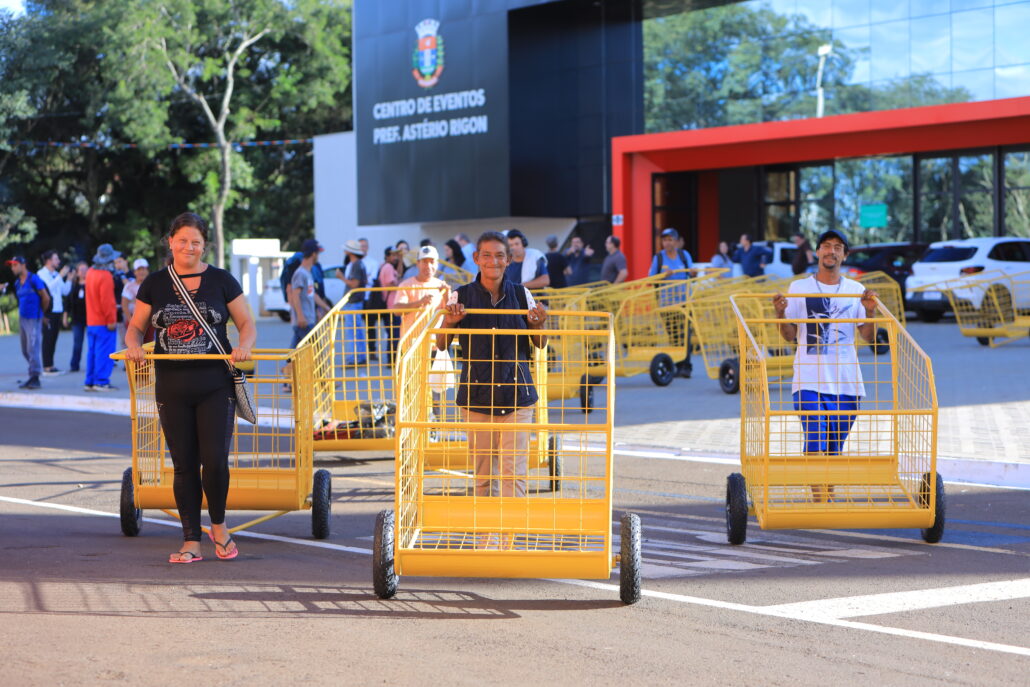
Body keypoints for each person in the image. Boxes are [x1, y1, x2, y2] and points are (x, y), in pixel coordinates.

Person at [125, 212, 256, 564]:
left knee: (214, 460)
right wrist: (134, 345)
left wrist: (244, 346)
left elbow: (246, 324)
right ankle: (190, 542)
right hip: (172, 386)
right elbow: (135, 328)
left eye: (195, 242)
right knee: (184, 465)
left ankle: (220, 527)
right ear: (170, 241)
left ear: (204, 246)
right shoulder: (154, 283)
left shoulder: (222, 281)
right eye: (181, 240)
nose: (188, 247)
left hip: (216, 385)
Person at [438, 232, 548, 534]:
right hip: (477, 396)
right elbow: (440, 343)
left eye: (500, 255)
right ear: (476, 259)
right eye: (486, 255)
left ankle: (511, 537)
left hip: (518, 395)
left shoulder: (523, 295)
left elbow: (539, 342)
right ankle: (486, 535)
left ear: (509, 260)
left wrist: (540, 323)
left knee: (515, 474)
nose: (493, 261)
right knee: (484, 475)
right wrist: (451, 321)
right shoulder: (460, 295)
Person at [772, 229, 878, 503]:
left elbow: (868, 336)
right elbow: (790, 336)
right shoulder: (799, 288)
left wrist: (870, 311)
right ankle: (820, 499)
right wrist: (780, 314)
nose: (831, 251)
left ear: (844, 254)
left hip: (847, 381)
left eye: (838, 247)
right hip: (809, 379)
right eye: (827, 246)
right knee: (816, 438)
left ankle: (828, 493)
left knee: (834, 448)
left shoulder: (856, 291)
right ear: (818, 251)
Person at [648, 228, 694, 378]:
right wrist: (662, 276)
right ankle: (678, 364)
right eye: (664, 240)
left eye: (670, 239)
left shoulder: (683, 255)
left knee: (685, 334)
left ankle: (686, 366)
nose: (667, 243)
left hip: (684, 301)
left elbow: (691, 273)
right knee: (674, 335)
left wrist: (694, 273)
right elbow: (651, 278)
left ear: (676, 241)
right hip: (666, 303)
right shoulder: (659, 258)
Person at [4, 256, 50, 389]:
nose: (13, 268)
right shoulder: (18, 283)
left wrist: (41, 313)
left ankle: (35, 377)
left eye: (15, 265)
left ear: (23, 265)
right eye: (11, 266)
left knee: (33, 348)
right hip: (22, 318)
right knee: (25, 349)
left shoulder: (33, 279)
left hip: (33, 318)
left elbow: (45, 297)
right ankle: (32, 374)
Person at [84, 244, 120, 392]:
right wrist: (111, 319)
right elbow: (108, 301)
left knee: (92, 352)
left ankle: (90, 381)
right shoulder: (105, 276)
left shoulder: (90, 272)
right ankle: (101, 381)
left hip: (91, 320)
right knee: (104, 352)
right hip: (103, 321)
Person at [395, 245, 450, 339]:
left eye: (432, 262)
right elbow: (397, 310)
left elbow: (450, 313)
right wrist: (420, 303)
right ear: (417, 263)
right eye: (424, 262)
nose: (428, 266)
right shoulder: (406, 285)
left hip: (434, 343)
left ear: (437, 264)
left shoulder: (442, 286)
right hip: (411, 344)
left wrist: (446, 295)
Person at [37, 250, 71, 375]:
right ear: (49, 261)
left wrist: (69, 280)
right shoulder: (41, 274)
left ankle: (51, 365)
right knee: (48, 338)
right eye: (56, 259)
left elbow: (65, 291)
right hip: (48, 311)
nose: (58, 261)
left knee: (54, 338)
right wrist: (60, 277)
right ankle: (46, 366)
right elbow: (47, 289)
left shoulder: (56, 274)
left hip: (57, 310)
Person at [337, 239, 368, 364]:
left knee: (353, 330)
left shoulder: (356, 265)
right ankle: (360, 356)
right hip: (356, 301)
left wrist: (341, 277)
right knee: (357, 330)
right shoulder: (358, 264)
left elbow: (354, 284)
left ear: (350, 252)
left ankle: (357, 357)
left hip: (354, 301)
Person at [289, 240, 320, 347]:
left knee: (294, 354)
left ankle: (288, 363)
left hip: (308, 319)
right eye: (318, 253)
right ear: (313, 254)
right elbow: (295, 295)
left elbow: (312, 294)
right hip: (304, 320)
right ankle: (288, 363)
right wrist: (300, 317)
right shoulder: (300, 273)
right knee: (316, 350)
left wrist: (326, 308)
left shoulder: (307, 273)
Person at [65, 261, 89, 372]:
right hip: (77, 319)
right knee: (77, 344)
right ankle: (74, 365)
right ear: (77, 272)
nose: (84, 272)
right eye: (81, 270)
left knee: (93, 344)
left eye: (85, 270)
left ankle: (93, 365)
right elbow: (68, 302)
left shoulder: (91, 284)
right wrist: (65, 316)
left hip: (90, 318)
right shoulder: (73, 285)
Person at [121, 258, 150, 328]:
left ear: (147, 271)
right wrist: (130, 321)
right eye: (139, 269)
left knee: (150, 339)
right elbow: (124, 305)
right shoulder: (129, 286)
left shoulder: (153, 285)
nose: (141, 272)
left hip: (150, 323)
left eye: (143, 269)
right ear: (134, 272)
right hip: (134, 321)